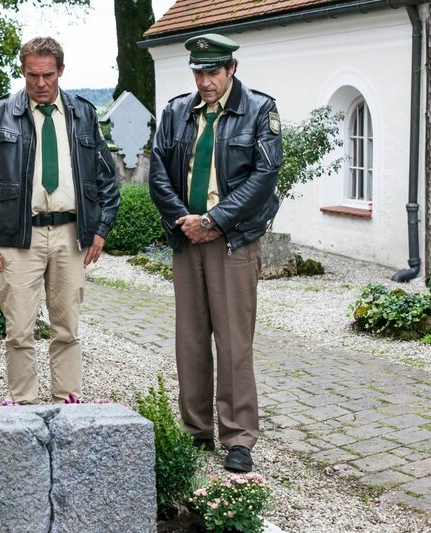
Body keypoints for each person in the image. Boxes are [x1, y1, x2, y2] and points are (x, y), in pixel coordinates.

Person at [0, 36, 120, 404]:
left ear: (61, 71)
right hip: (17, 239)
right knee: (19, 330)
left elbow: (107, 178)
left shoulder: (83, 113)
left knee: (67, 328)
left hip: (70, 234)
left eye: (48, 75)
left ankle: (68, 402)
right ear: (23, 72)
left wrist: (102, 229)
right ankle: (25, 406)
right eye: (33, 75)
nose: (41, 84)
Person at [148, 33, 283, 472]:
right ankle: (195, 430)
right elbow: (158, 173)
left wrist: (214, 220)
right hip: (187, 239)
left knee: (233, 342)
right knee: (190, 339)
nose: (204, 81)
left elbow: (264, 176)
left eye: (212, 72)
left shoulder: (260, 111)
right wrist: (185, 221)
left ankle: (239, 437)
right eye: (198, 72)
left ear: (231, 70)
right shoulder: (175, 112)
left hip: (233, 240)